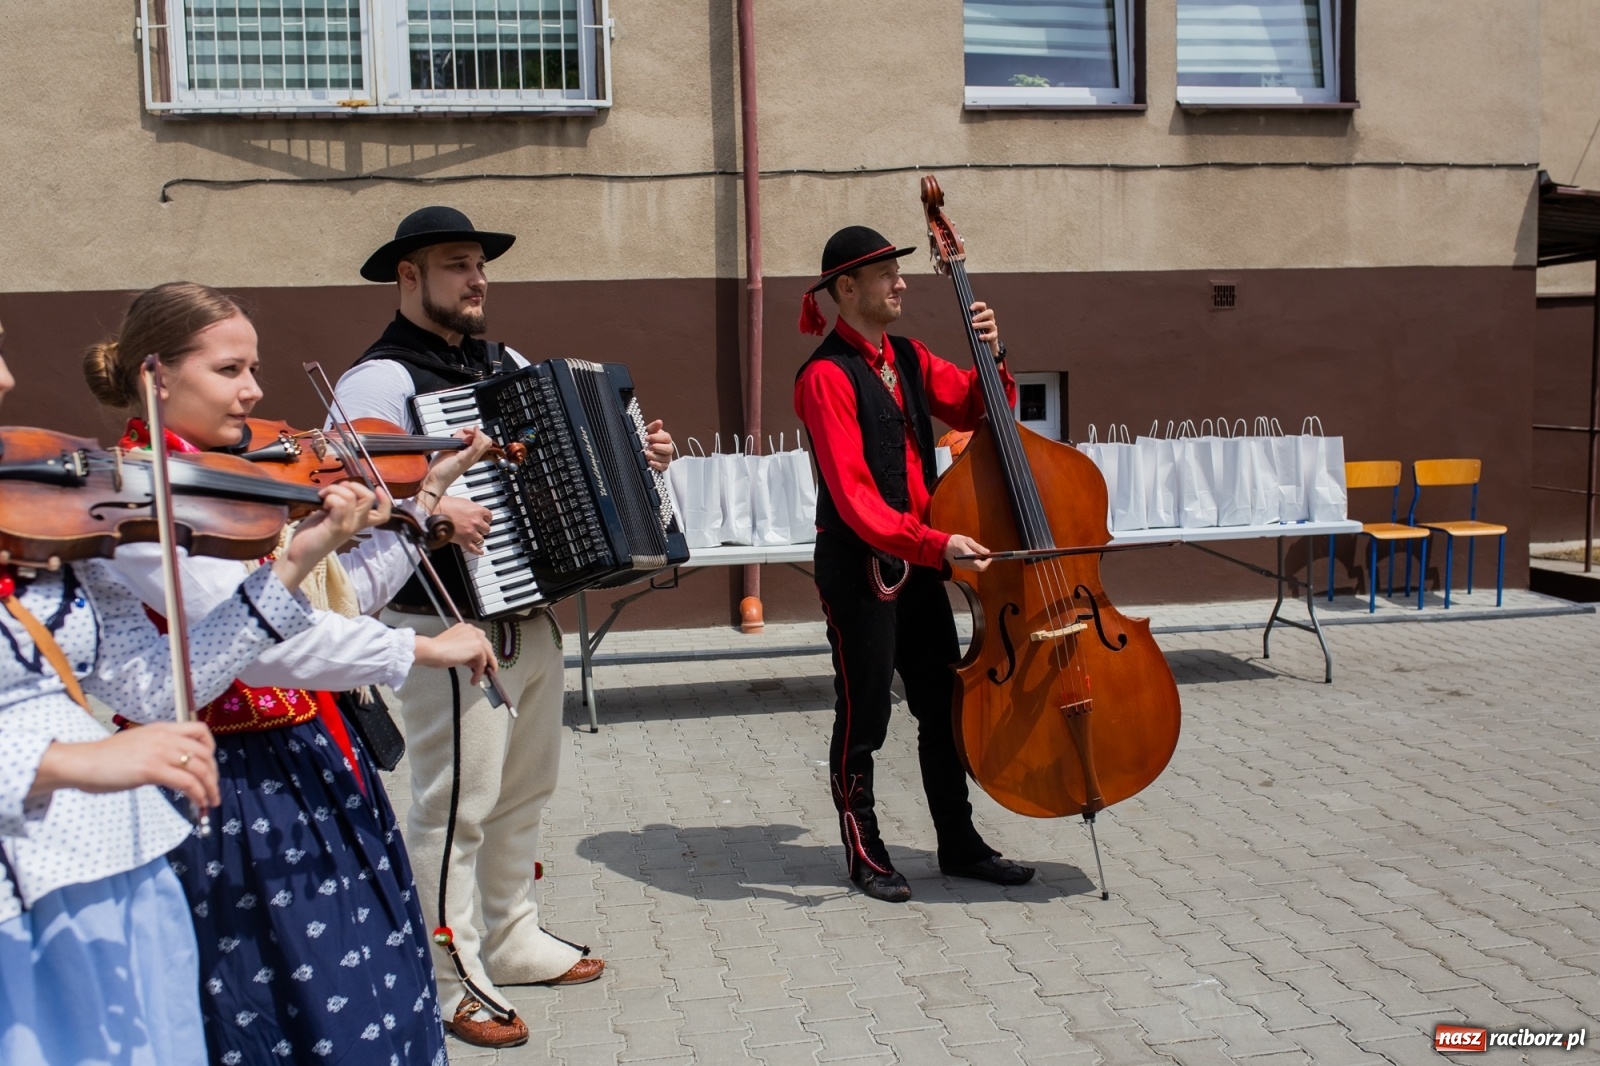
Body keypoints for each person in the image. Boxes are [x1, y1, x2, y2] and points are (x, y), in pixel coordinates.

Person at [84, 282, 499, 1066]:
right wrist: (417, 649)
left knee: (375, 979)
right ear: (157, 375)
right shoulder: (141, 503)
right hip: (230, 793)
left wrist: (427, 496)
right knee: (277, 1009)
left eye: (255, 367)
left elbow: (340, 601)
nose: (255, 391)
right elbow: (271, 644)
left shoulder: (234, 482)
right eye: (230, 370)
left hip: (310, 762)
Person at [333, 206, 674, 1049]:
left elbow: (567, 469)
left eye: (480, 264)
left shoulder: (507, 364)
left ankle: (512, 937)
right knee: (453, 809)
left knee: (523, 795)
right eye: (456, 265)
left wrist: (638, 455)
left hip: (526, 615)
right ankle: (448, 975)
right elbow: (347, 507)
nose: (477, 279)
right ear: (407, 275)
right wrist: (429, 503)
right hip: (443, 623)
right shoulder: (375, 384)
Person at [0, 314, 383, 1064]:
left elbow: (157, 685)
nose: (8, 380)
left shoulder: (41, 527)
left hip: (121, 866)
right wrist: (70, 761)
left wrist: (292, 564)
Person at [794, 225, 1038, 903]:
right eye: (885, 274)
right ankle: (865, 850)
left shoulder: (905, 355)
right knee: (865, 715)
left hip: (920, 563)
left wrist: (994, 354)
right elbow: (854, 500)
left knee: (942, 706)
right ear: (847, 289)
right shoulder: (823, 377)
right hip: (859, 567)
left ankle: (957, 842)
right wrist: (938, 543)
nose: (901, 282)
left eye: (900, 272)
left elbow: (974, 403)